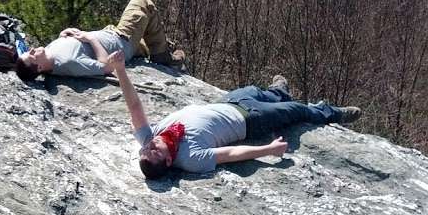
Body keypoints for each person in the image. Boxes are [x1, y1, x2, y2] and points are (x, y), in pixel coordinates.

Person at [107, 52, 362, 179]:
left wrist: (120, 70)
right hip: (249, 121)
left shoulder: (148, 137)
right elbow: (228, 155)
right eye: (156, 152)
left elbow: (135, 107)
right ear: (169, 163)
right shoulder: (189, 159)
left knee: (256, 91)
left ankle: (278, 91)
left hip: (229, 102)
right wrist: (268, 150)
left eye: (147, 149)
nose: (152, 145)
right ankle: (333, 113)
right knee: (296, 110)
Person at [15, 0, 184, 81]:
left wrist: (63, 35)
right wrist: (90, 39)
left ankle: (157, 49)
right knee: (142, 2)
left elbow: (68, 48)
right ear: (38, 68)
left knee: (150, 34)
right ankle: (161, 55)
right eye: (30, 55)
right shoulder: (69, 63)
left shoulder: (49, 55)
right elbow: (107, 66)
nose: (31, 49)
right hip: (122, 40)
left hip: (112, 33)